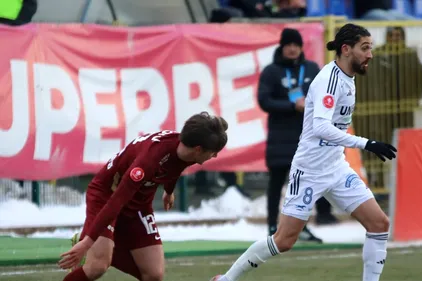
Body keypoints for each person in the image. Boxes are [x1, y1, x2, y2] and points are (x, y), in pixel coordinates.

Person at [210, 23, 397, 281]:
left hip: (336, 166)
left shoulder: (348, 78)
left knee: (379, 224)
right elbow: (321, 127)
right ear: (346, 49)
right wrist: (366, 143)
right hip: (309, 170)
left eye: (371, 48)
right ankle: (227, 279)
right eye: (365, 48)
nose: (370, 55)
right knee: (284, 240)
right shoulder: (329, 80)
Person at [58, 112, 228, 281]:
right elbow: (116, 202)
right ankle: (90, 241)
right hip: (107, 195)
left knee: (154, 275)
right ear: (198, 149)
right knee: (97, 266)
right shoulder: (150, 160)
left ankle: (96, 242)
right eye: (214, 152)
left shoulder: (186, 148)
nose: (215, 156)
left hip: (139, 202)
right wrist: (87, 242)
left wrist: (169, 191)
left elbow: (175, 166)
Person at [258, 27, 338, 244]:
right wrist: (292, 105)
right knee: (276, 183)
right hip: (279, 137)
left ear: (301, 47)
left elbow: (327, 95)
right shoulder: (271, 71)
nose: (292, 49)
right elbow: (264, 101)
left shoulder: (312, 68)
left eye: (296, 45)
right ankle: (273, 226)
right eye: (288, 45)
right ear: (282, 47)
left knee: (305, 184)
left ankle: (299, 227)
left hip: (307, 137)